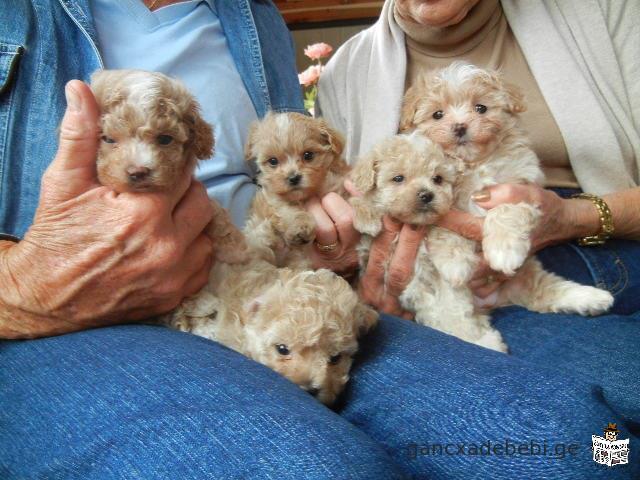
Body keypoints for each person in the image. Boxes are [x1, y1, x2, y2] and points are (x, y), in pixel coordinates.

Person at [0, 2, 637, 480]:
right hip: (68, 317)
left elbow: (307, 168)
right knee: (317, 468)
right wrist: (26, 288)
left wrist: (334, 245)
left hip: (277, 280)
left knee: (580, 446)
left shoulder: (254, 16)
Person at [313, 0, 640, 477]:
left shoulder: (605, 10)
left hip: (600, 243)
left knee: (604, 425)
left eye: (479, 109)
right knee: (579, 448)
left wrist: (575, 216)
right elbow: (350, 208)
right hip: (445, 288)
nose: (461, 124)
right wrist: (359, 265)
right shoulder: (345, 71)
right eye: (440, 114)